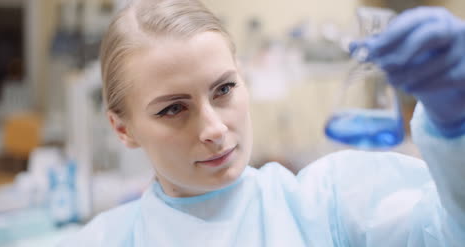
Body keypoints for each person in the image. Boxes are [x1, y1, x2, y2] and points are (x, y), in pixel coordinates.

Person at [60, 1, 465, 246]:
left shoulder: (329, 205)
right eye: (172, 109)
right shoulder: (103, 241)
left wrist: (455, 126)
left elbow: (445, 235)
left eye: (224, 89)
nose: (215, 129)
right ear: (122, 129)